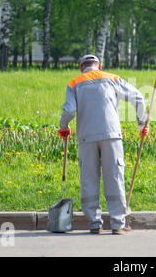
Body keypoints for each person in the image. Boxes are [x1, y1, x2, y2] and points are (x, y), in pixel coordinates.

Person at [58, 54, 148, 235]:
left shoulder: (75, 83)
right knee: (114, 175)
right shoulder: (112, 78)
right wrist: (142, 124)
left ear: (81, 68)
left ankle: (94, 223)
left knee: (89, 178)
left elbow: (69, 110)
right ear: (99, 66)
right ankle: (118, 224)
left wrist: (64, 127)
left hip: (86, 137)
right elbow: (138, 97)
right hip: (111, 135)